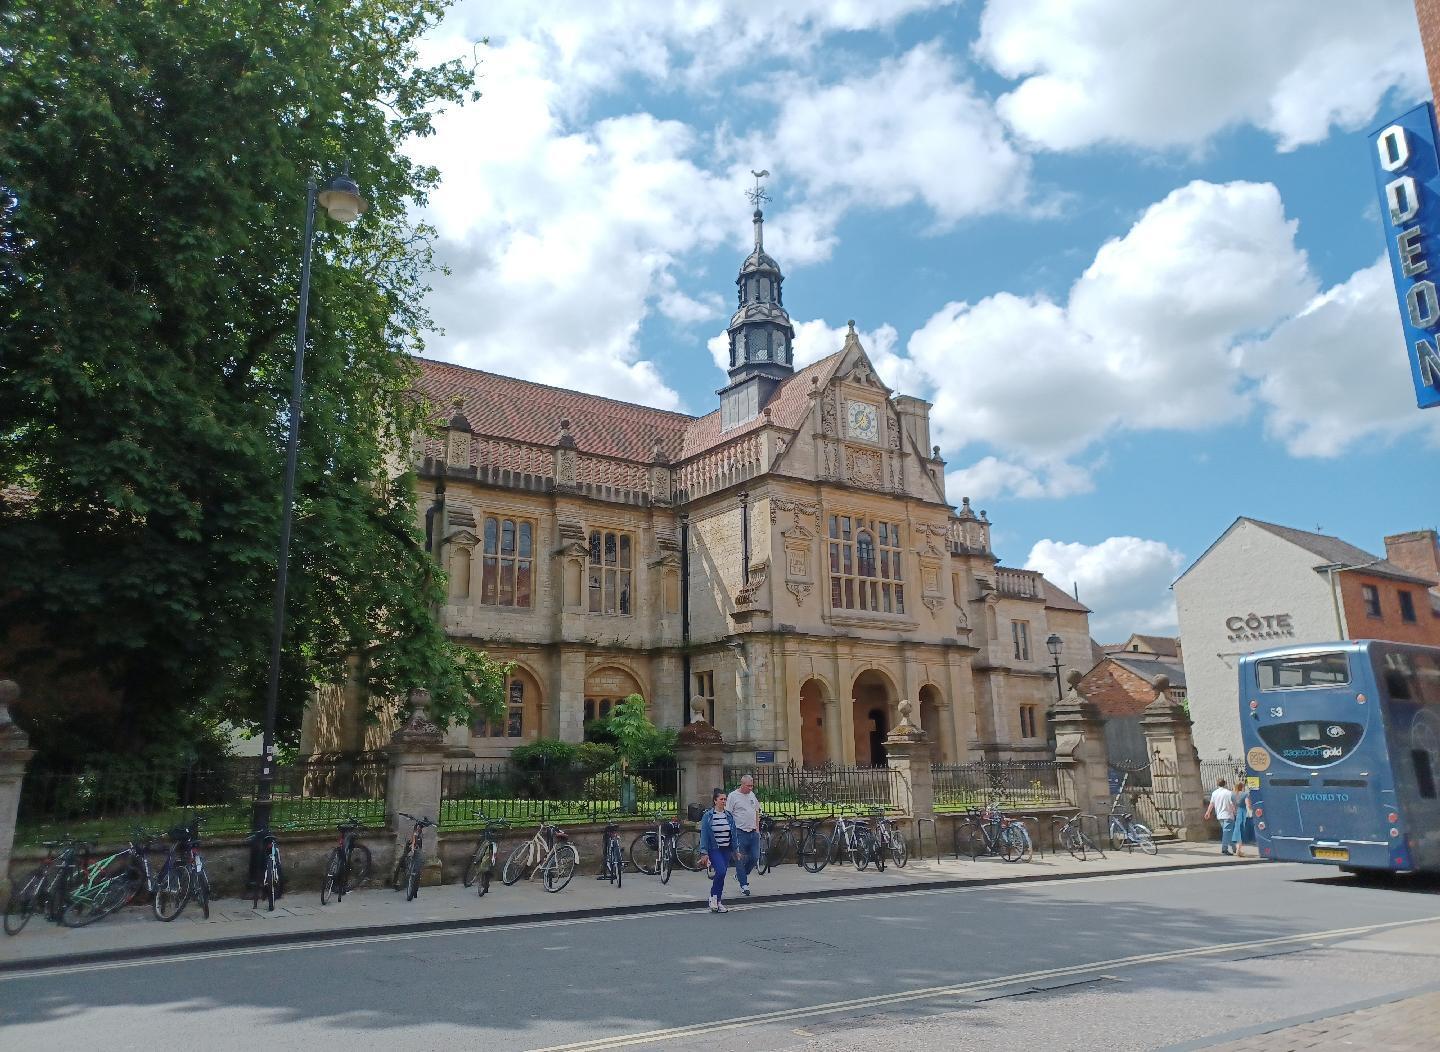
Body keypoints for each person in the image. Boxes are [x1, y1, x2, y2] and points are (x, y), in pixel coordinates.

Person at [698, 789, 736, 913]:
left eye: (725, 799)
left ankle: (718, 901)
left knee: (722, 874)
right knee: (720, 871)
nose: (724, 801)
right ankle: (713, 897)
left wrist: (736, 850)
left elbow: (733, 834)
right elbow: (704, 835)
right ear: (715, 801)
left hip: (726, 849)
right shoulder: (708, 816)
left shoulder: (729, 815)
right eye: (721, 799)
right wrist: (704, 852)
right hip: (714, 849)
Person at [726, 773, 762, 897]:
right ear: (742, 784)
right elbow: (728, 815)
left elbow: (757, 811)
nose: (750, 788)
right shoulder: (733, 796)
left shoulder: (752, 795)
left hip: (753, 832)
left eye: (752, 786)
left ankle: (740, 875)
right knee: (739, 860)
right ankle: (744, 885)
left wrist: (757, 828)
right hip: (739, 832)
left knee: (755, 857)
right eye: (748, 786)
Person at [1204, 778, 1236, 855]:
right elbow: (1232, 804)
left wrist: (1208, 812)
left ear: (1217, 784)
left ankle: (1234, 847)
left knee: (1228, 832)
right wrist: (1235, 812)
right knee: (1227, 832)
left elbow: (1211, 804)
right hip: (1228, 815)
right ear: (1225, 784)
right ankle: (1224, 849)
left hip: (1220, 816)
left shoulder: (1214, 793)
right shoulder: (1229, 793)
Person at [1229, 773, 1251, 858]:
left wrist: (1234, 812)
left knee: (1237, 830)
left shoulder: (1232, 795)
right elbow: (1248, 805)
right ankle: (1239, 849)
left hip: (1237, 812)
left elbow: (1232, 806)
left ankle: (1238, 849)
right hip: (1243, 812)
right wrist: (1250, 810)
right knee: (1241, 831)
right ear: (1242, 786)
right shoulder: (1245, 794)